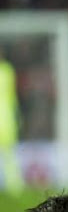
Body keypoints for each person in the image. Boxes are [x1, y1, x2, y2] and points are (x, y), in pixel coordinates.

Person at [0, 49, 25, 196]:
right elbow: (12, 95)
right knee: (10, 153)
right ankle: (14, 186)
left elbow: (11, 95)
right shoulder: (8, 70)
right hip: (7, 116)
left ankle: (14, 184)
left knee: (9, 153)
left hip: (6, 116)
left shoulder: (8, 70)